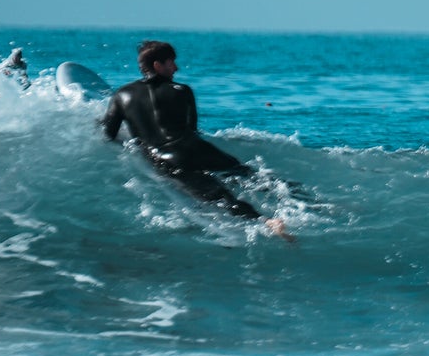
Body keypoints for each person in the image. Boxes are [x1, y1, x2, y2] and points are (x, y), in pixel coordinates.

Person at [100, 41, 291, 235]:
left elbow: (109, 134)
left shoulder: (121, 95)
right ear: (157, 65)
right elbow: (191, 129)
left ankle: (267, 222)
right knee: (248, 175)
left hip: (166, 157)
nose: (176, 68)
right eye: (171, 63)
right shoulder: (183, 91)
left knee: (221, 197)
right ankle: (304, 200)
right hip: (197, 148)